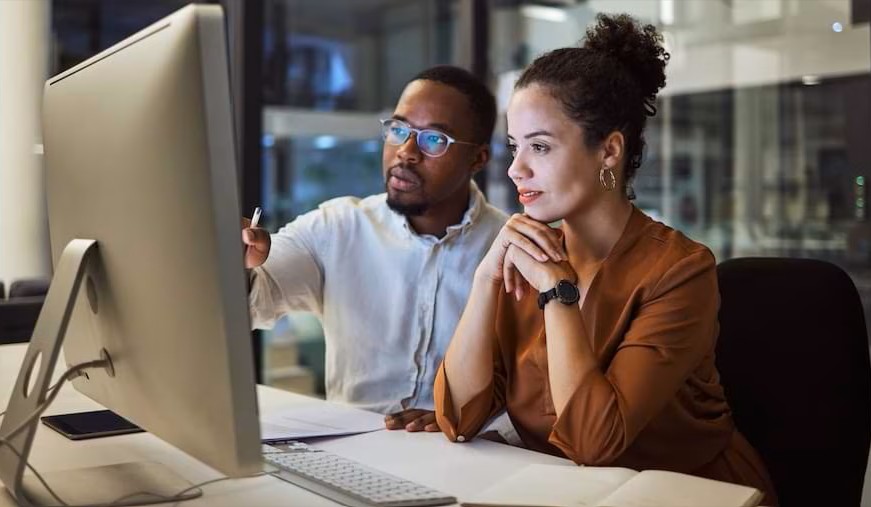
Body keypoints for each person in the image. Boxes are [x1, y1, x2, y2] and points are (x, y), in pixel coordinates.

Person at [434, 14, 778, 505]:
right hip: (566, 492)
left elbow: (595, 443)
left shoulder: (680, 270)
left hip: (686, 494)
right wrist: (486, 278)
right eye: (514, 147)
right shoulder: (526, 256)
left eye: (541, 146)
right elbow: (457, 418)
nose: (516, 168)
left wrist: (557, 292)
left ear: (609, 151)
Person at [243, 66, 508, 433]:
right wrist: (240, 263)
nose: (406, 152)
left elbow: (536, 393)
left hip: (466, 452)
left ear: (478, 159)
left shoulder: (509, 249)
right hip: (349, 450)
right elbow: (252, 305)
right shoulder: (337, 227)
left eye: (434, 140)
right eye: (399, 130)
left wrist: (471, 421)